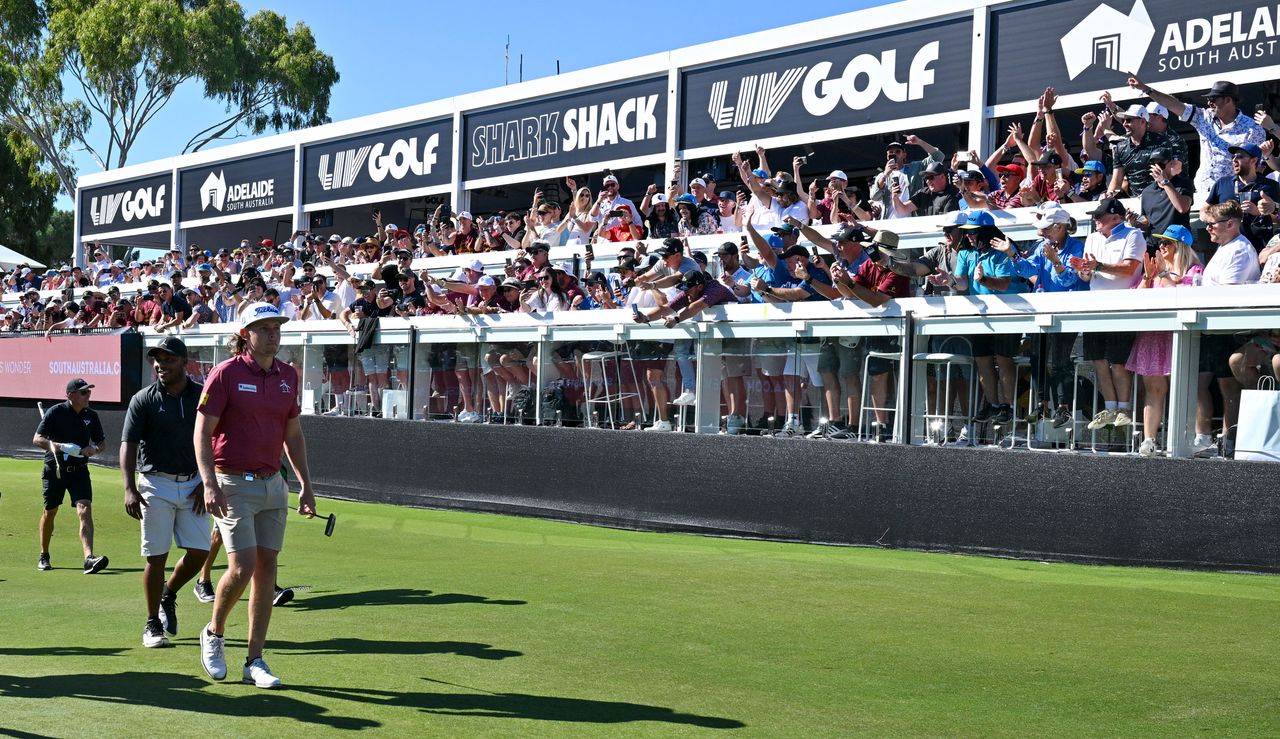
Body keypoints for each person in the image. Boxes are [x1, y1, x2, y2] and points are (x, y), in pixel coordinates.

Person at [194, 301, 317, 688]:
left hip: (273, 485)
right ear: (245, 334)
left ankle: (255, 660)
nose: (272, 334)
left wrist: (306, 485)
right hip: (231, 482)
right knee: (243, 566)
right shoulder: (225, 374)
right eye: (263, 328)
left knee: (267, 571)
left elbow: (293, 435)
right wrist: (209, 482)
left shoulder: (288, 375)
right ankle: (214, 632)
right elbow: (202, 432)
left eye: (276, 327)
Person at [120, 336, 210, 648]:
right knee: (156, 557)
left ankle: (168, 594)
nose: (161, 365)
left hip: (195, 484)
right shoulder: (143, 399)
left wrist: (207, 482)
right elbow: (128, 445)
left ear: (185, 363)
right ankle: (151, 624)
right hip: (154, 484)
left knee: (200, 552)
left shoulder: (203, 396)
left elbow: (218, 439)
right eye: (157, 359)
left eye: (169, 359)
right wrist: (129, 488)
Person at [34, 378, 108, 574]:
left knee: (85, 509)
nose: (88, 396)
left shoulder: (91, 416)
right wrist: (60, 446)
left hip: (80, 471)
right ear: (70, 395)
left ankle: (89, 558)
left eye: (88, 392)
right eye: (83, 392)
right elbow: (38, 439)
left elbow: (101, 443)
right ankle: (44, 554)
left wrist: (93, 449)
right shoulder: (56, 412)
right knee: (50, 511)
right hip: (55, 469)